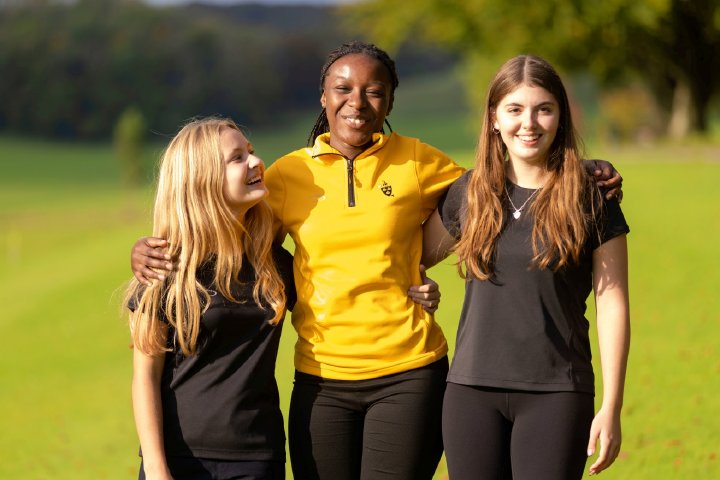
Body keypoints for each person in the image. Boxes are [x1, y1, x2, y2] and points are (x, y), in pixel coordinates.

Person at [130, 42, 623, 480]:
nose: (357, 102)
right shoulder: (285, 175)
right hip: (320, 379)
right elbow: (223, 228)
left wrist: (580, 170)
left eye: (374, 91)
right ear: (323, 98)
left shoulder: (418, 161)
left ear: (389, 101)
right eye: (342, 88)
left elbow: (504, 176)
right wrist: (149, 252)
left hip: (409, 371)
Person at [422, 55, 630, 480]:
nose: (528, 123)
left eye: (543, 109)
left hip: (557, 392)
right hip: (469, 393)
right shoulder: (471, 192)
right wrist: (420, 283)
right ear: (494, 118)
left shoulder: (593, 197)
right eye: (515, 109)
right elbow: (411, 258)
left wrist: (612, 407)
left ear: (561, 117)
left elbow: (613, 304)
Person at [124, 117, 296, 480]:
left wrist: (416, 285)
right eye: (237, 158)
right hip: (179, 460)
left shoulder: (274, 262)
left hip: (257, 457)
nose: (255, 162)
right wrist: (156, 468)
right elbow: (144, 377)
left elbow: (343, 295)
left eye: (250, 152)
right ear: (202, 180)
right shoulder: (165, 266)